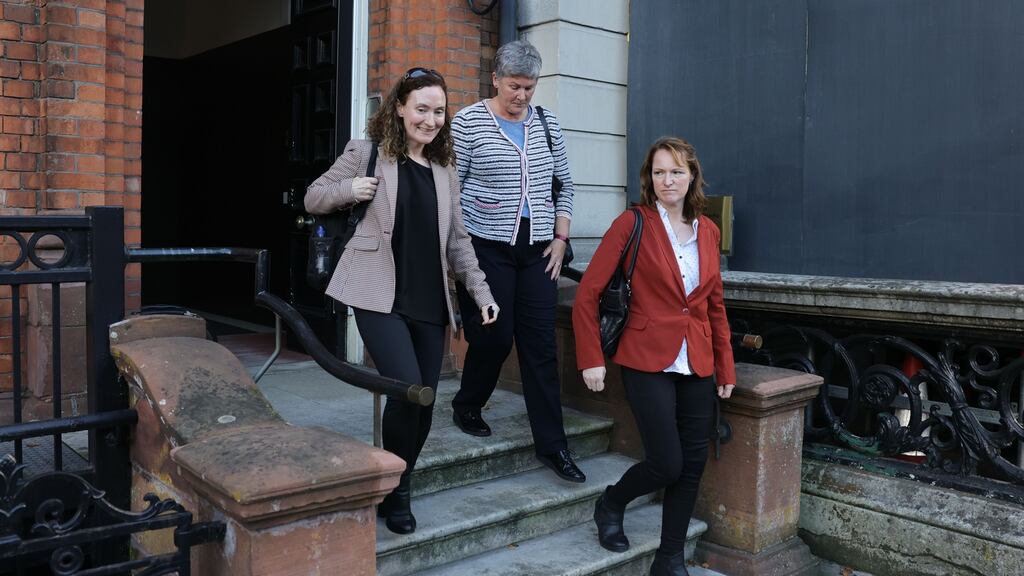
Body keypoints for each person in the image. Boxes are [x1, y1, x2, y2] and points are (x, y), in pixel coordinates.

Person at [304, 68, 499, 535]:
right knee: (407, 387)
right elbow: (314, 196)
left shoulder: (445, 169)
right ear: (399, 108)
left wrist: (481, 292)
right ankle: (399, 492)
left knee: (426, 401)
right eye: (422, 109)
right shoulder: (368, 151)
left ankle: (396, 485)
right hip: (376, 292)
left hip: (430, 298)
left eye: (438, 111)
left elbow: (458, 241)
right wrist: (350, 191)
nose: (431, 120)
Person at [571, 137, 736, 576]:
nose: (668, 180)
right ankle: (611, 502)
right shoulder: (633, 223)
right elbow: (589, 292)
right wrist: (591, 358)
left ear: (692, 177)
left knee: (693, 463)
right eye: (660, 172)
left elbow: (713, 305)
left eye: (677, 172)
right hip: (646, 357)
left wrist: (725, 365)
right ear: (649, 178)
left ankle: (669, 559)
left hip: (696, 360)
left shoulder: (708, 230)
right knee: (667, 461)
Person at [449, 40, 585, 483]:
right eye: (514, 86)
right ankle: (468, 404)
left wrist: (561, 238)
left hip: (539, 250)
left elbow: (564, 185)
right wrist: (458, 252)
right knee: (493, 335)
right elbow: (452, 193)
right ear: (495, 79)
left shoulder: (548, 124)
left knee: (540, 346)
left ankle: (554, 447)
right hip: (486, 245)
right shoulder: (468, 123)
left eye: (529, 87)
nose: (522, 96)